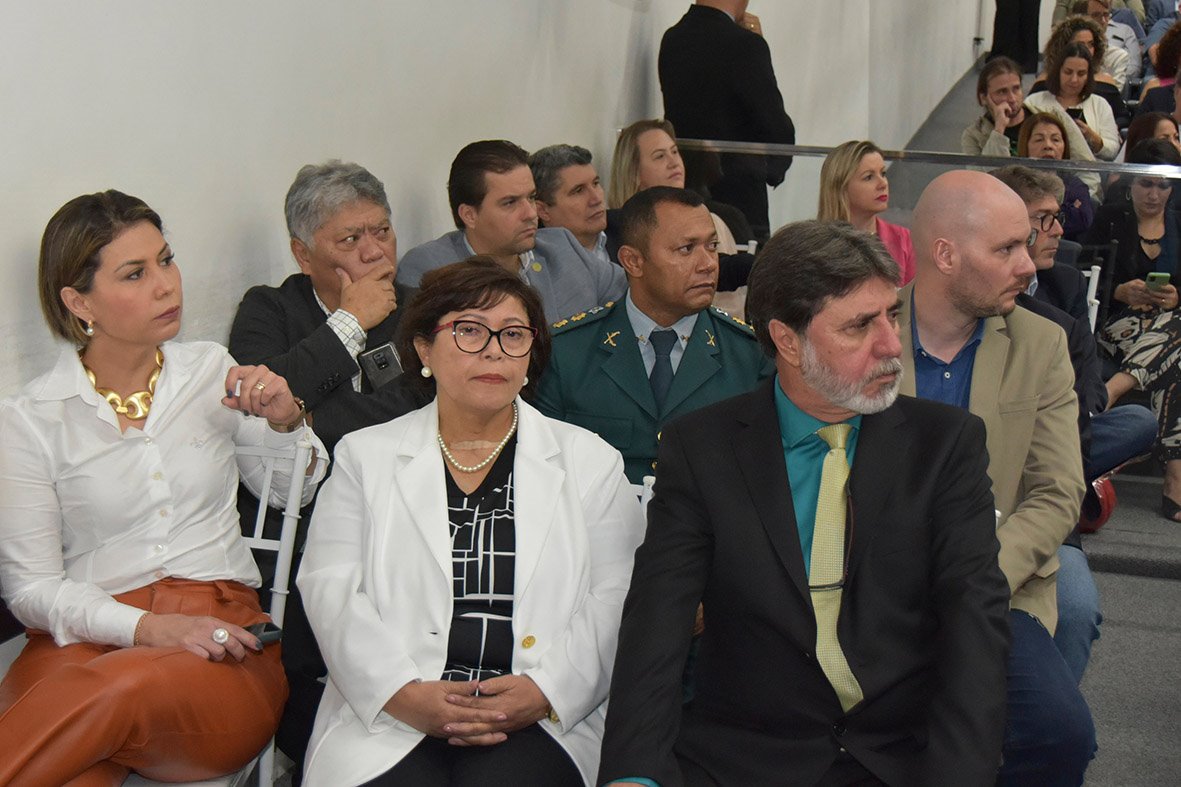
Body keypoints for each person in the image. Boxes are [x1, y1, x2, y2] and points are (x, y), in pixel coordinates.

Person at [598, 220, 1010, 786]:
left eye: (891, 315)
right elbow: (657, 621)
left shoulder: (945, 446)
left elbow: (975, 624)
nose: (892, 345)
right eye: (860, 325)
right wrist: (634, 775)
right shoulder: (703, 449)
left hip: (897, 757)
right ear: (787, 341)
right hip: (744, 757)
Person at [0, 190, 327, 785]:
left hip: (220, 641)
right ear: (79, 302)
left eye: (166, 260)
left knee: (114, 690)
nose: (166, 284)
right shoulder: (30, 418)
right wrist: (144, 629)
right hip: (82, 639)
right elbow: (31, 589)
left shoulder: (210, 371)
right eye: (135, 273)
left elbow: (289, 493)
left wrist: (287, 423)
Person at [297, 258, 645, 786]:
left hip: (540, 713)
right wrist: (401, 693)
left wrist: (546, 691)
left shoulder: (589, 460)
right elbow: (332, 589)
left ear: (531, 355)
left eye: (513, 334)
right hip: (394, 711)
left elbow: (619, 593)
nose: (493, 351)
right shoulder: (364, 457)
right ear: (423, 350)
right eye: (469, 331)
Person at [228, 160, 429, 779]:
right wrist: (349, 323)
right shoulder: (268, 309)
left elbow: (422, 407)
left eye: (382, 231)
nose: (374, 251)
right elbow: (263, 405)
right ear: (302, 252)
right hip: (300, 524)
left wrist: (309, 416)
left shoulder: (423, 309)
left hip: (405, 512)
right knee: (293, 672)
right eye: (350, 239)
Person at [903, 170, 1094, 785]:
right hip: (868, 585)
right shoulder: (861, 331)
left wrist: (975, 579)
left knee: (1061, 734)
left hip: (996, 588)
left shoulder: (1042, 342)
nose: (1028, 266)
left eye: (1025, 244)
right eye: (1007, 248)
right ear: (945, 255)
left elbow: (1057, 490)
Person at [991, 165, 1157, 684]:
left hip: (1055, 453)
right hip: (991, 467)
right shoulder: (961, 299)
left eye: (1057, 216)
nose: (1059, 230)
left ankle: (1045, 711)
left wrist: (1066, 430)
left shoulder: (1062, 289)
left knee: (1077, 608)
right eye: (1044, 218)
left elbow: (1086, 385)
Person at [535, 186, 773, 484]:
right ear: (633, 261)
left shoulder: (750, 355)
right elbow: (543, 469)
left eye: (711, 246)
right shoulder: (567, 353)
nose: (709, 264)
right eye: (686, 249)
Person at [396, 140, 626, 322]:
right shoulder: (430, 268)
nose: (530, 213)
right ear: (469, 215)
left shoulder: (561, 246)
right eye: (510, 203)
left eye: (531, 197)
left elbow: (633, 295)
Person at [1086, 139, 1181, 518]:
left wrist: (1176, 297)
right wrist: (1119, 291)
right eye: (1146, 184)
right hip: (1116, 326)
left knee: (1175, 337)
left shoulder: (1180, 221)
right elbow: (1084, 277)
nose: (1154, 194)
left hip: (1166, 328)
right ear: (1131, 181)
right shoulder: (1110, 217)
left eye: (1163, 186)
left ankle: (1112, 390)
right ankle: (1176, 478)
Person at [658, 0, 795, 239]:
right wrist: (774, 169)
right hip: (740, 198)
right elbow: (776, 129)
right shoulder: (746, 45)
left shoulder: (672, 39)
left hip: (686, 190)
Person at [606, 119, 756, 297]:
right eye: (660, 156)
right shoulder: (611, 230)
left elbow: (725, 270)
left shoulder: (712, 219)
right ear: (633, 172)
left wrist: (765, 264)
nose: (674, 162)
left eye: (675, 151)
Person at [963, 56, 1101, 197]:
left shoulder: (1053, 116)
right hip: (1007, 204)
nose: (1012, 99)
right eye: (1002, 92)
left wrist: (1072, 202)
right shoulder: (974, 135)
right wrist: (999, 131)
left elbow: (1087, 169)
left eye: (1016, 89)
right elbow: (985, 186)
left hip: (1061, 200)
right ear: (984, 98)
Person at [817, 139, 916, 283]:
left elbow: (914, 294)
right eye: (869, 177)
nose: (883, 184)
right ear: (841, 187)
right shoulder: (816, 246)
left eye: (883, 173)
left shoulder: (903, 239)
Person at [1027, 42, 1122, 161]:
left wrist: (1092, 137)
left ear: (1088, 76)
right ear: (1057, 72)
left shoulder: (1100, 105)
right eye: (1068, 72)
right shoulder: (1033, 102)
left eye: (1081, 74)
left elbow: (1112, 151)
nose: (1074, 80)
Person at [1034, 14, 1130, 126]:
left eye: (1091, 44)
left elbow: (1122, 118)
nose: (1086, 50)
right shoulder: (1044, 82)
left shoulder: (1106, 83)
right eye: (1080, 44)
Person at [1017, 113, 1096, 240]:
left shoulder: (1075, 185)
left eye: (1055, 140)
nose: (1048, 145)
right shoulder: (1014, 181)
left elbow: (1082, 221)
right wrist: (1067, 209)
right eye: (1039, 139)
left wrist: (1036, 214)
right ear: (1025, 144)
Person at [528, 144, 609, 263]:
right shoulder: (530, 262)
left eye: (595, 183)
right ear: (543, 211)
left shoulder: (628, 231)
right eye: (579, 191)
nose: (596, 199)